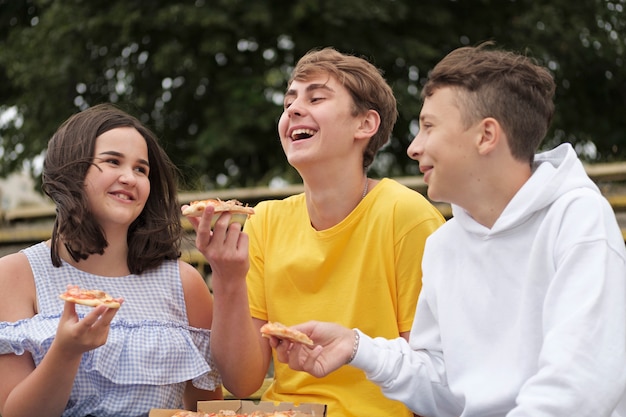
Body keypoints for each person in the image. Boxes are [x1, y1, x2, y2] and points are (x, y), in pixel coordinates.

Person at [275, 44, 626, 416]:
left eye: (428, 127)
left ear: (486, 135)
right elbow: (444, 385)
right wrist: (356, 347)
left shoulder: (577, 220)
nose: (414, 147)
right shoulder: (445, 243)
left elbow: (581, 385)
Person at [185, 47, 445, 417]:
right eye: (288, 100)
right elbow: (242, 382)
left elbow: (430, 377)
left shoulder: (407, 216)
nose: (292, 109)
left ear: (365, 125)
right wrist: (227, 277)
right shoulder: (265, 220)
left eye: (316, 97)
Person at [0, 103, 223, 417]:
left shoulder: (185, 283)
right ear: (71, 170)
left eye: (141, 169)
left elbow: (207, 409)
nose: (130, 178)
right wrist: (65, 352)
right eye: (112, 161)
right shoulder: (14, 275)